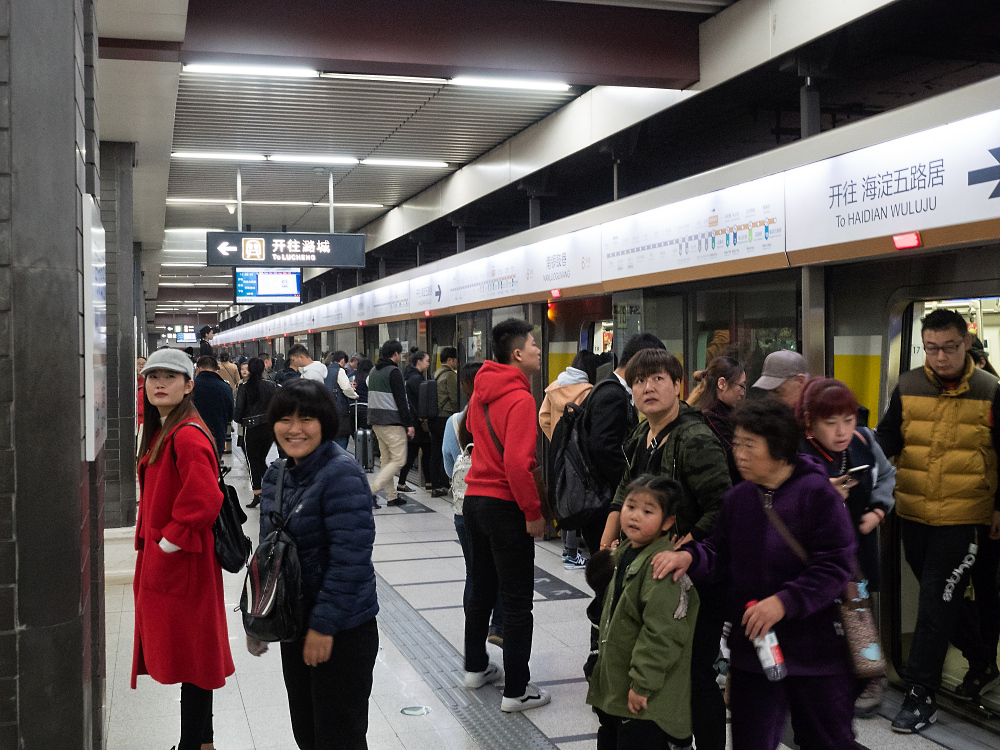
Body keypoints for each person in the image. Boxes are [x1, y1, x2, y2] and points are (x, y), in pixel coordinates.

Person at [653, 398, 861, 750]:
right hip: (755, 652)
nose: (738, 453)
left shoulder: (816, 494)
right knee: (752, 740)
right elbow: (720, 553)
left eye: (749, 445)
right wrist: (690, 558)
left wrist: (784, 603)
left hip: (817, 652)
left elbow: (835, 565)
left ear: (778, 446)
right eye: (736, 443)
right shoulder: (739, 499)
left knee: (828, 740)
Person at [599, 348, 731, 750]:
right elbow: (626, 490)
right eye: (639, 380)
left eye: (658, 379)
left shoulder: (694, 438)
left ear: (679, 386)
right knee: (663, 663)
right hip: (655, 574)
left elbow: (724, 503)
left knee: (696, 670)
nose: (648, 387)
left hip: (695, 575)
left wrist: (687, 544)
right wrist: (609, 538)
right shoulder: (644, 434)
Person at [876, 308, 1000, 731]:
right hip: (914, 512)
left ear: (966, 343)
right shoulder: (908, 384)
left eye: (948, 347)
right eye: (931, 348)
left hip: (965, 517)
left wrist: (998, 507)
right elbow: (891, 434)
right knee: (939, 599)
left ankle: (920, 694)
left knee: (934, 601)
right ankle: (983, 656)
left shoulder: (991, 391)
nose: (940, 356)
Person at [248, 380, 379, 750]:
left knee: (339, 737)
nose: (295, 429)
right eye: (285, 419)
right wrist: (261, 615)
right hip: (294, 625)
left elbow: (350, 560)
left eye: (306, 419)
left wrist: (323, 627)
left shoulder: (342, 473)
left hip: (342, 631)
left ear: (324, 422)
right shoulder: (276, 475)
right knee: (307, 733)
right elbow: (268, 554)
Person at [133, 348, 234, 750]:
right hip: (180, 562)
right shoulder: (165, 428)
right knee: (192, 657)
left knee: (193, 657)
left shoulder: (186, 434)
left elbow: (204, 497)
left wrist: (168, 542)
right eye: (153, 375)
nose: (159, 382)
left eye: (170, 376)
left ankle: (196, 742)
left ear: (189, 385)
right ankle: (197, 740)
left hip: (183, 563)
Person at [462, 318, 550, 712]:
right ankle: (517, 690)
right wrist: (533, 511)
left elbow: (467, 429)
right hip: (505, 505)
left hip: (474, 502)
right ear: (517, 353)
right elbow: (518, 464)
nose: (537, 349)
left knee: (481, 588)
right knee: (517, 601)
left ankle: (475, 668)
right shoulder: (520, 398)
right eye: (533, 344)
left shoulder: (482, 391)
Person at [796, 376, 896, 715]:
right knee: (818, 616)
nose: (842, 430)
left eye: (848, 420)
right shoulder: (795, 450)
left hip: (856, 548)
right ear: (809, 420)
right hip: (812, 553)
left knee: (859, 611)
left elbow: (886, 474)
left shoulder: (864, 440)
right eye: (831, 422)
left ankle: (871, 676)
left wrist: (879, 510)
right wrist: (824, 496)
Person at [587, 475, 699, 750]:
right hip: (617, 690)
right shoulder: (627, 551)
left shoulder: (661, 567)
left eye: (648, 511)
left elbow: (662, 634)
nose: (635, 516)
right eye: (630, 506)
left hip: (645, 702)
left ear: (668, 521)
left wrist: (642, 685)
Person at [581, 333, 666, 557]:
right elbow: (604, 448)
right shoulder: (613, 395)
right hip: (603, 501)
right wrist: (632, 488)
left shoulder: (608, 388)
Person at [539, 350, 598, 569]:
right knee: (576, 499)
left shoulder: (554, 387)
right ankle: (571, 554)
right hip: (579, 453)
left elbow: (543, 417)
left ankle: (567, 548)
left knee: (564, 496)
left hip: (560, 450)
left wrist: (556, 438)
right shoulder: (589, 391)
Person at [367, 340, 415, 507]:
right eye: (400, 354)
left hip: (376, 423)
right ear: (395, 354)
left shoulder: (373, 371)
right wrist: (409, 424)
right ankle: (371, 490)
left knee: (386, 461)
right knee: (399, 460)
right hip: (392, 423)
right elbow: (402, 401)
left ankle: (391, 496)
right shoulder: (393, 372)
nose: (401, 357)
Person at [690, 356, 747, 486]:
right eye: (741, 386)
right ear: (722, 384)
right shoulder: (710, 418)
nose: (743, 393)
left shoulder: (726, 413)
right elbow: (734, 458)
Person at [235, 357, 278, 509]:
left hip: (251, 429)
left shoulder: (244, 387)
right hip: (268, 428)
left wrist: (238, 419)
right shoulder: (271, 385)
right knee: (261, 459)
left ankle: (257, 493)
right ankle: (272, 485)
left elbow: (238, 412)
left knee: (253, 461)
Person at [399, 350, 432, 494]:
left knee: (421, 452)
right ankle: (402, 483)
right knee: (417, 453)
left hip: (413, 420)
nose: (428, 363)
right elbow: (422, 400)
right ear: (419, 361)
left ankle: (429, 482)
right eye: (427, 361)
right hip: (417, 422)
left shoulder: (409, 376)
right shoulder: (417, 379)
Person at [430, 346, 460, 496]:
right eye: (456, 359)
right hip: (445, 417)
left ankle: (435, 484)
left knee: (435, 451)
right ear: (450, 360)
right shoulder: (450, 375)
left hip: (434, 417)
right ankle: (446, 481)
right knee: (448, 450)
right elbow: (455, 399)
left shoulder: (436, 373)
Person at [192, 356, 235, 455]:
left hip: (194, 433)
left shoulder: (191, 387)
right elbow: (230, 415)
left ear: (198, 369)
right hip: (218, 434)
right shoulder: (226, 388)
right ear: (216, 370)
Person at [323, 350, 359, 450]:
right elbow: (346, 388)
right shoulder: (339, 371)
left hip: (327, 408)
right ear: (342, 360)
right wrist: (355, 395)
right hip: (339, 409)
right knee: (341, 437)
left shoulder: (326, 369)